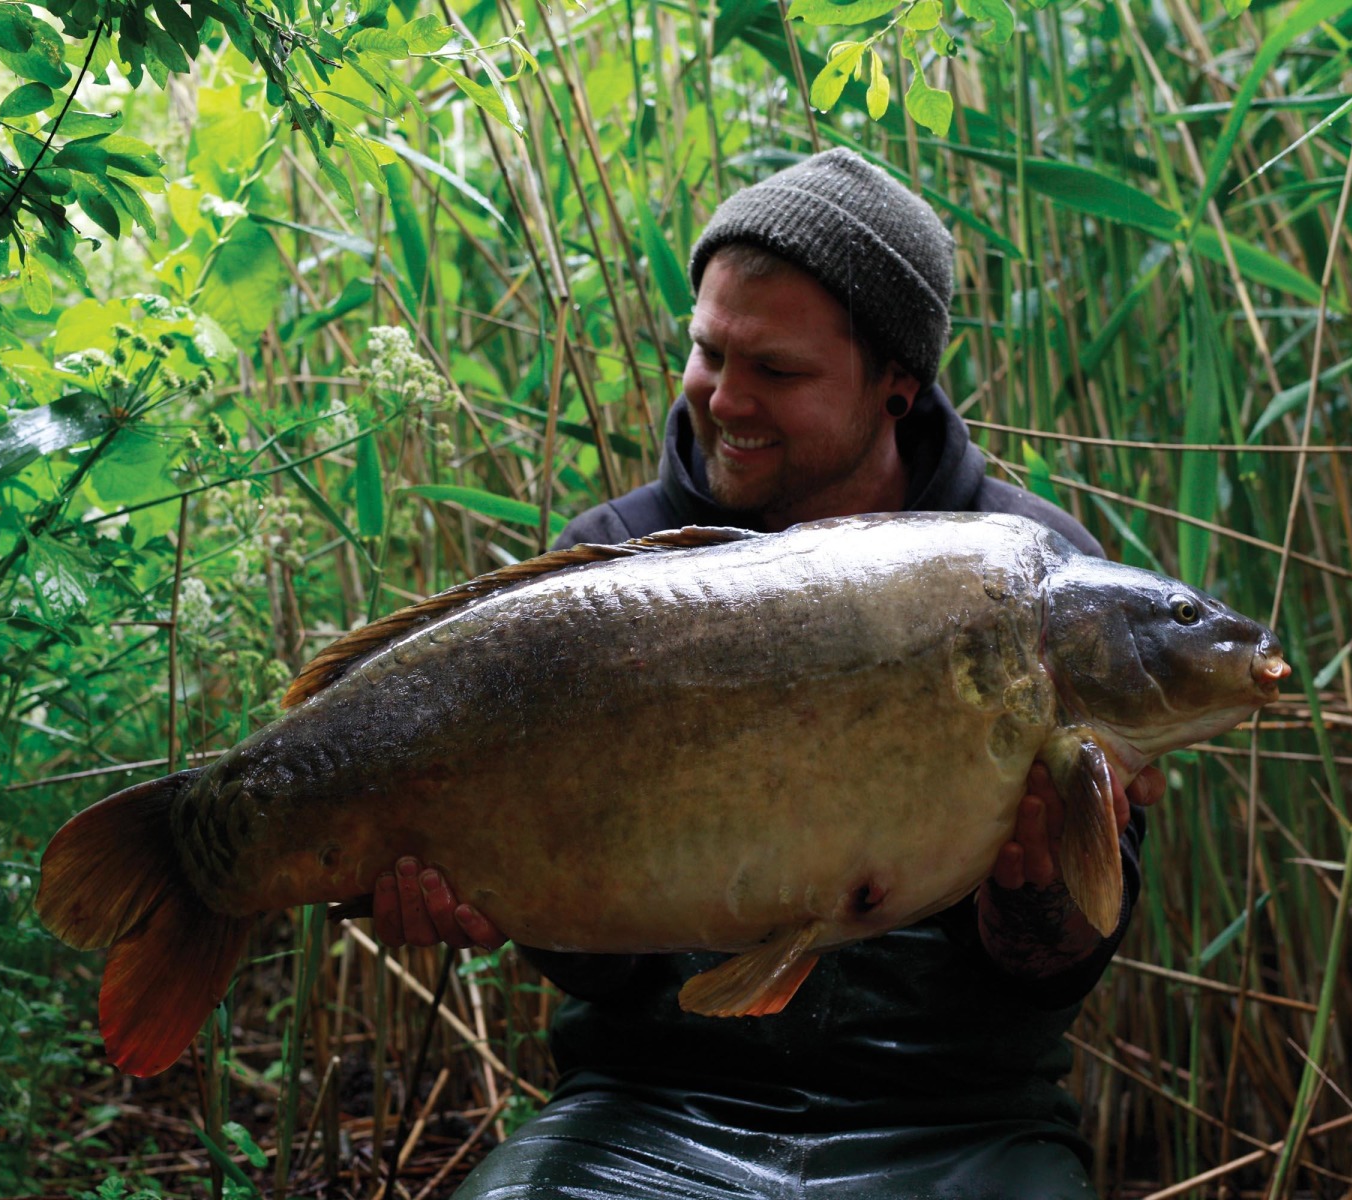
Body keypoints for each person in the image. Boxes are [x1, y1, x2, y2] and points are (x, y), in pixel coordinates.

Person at [369, 148, 1164, 1198]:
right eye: (708, 354)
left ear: (897, 384)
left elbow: (1052, 971)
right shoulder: (609, 571)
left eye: (777, 372)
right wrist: (501, 893)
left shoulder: (1038, 577)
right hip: (652, 1106)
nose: (726, 400)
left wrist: (1036, 892)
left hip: (954, 1115)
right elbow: (600, 973)